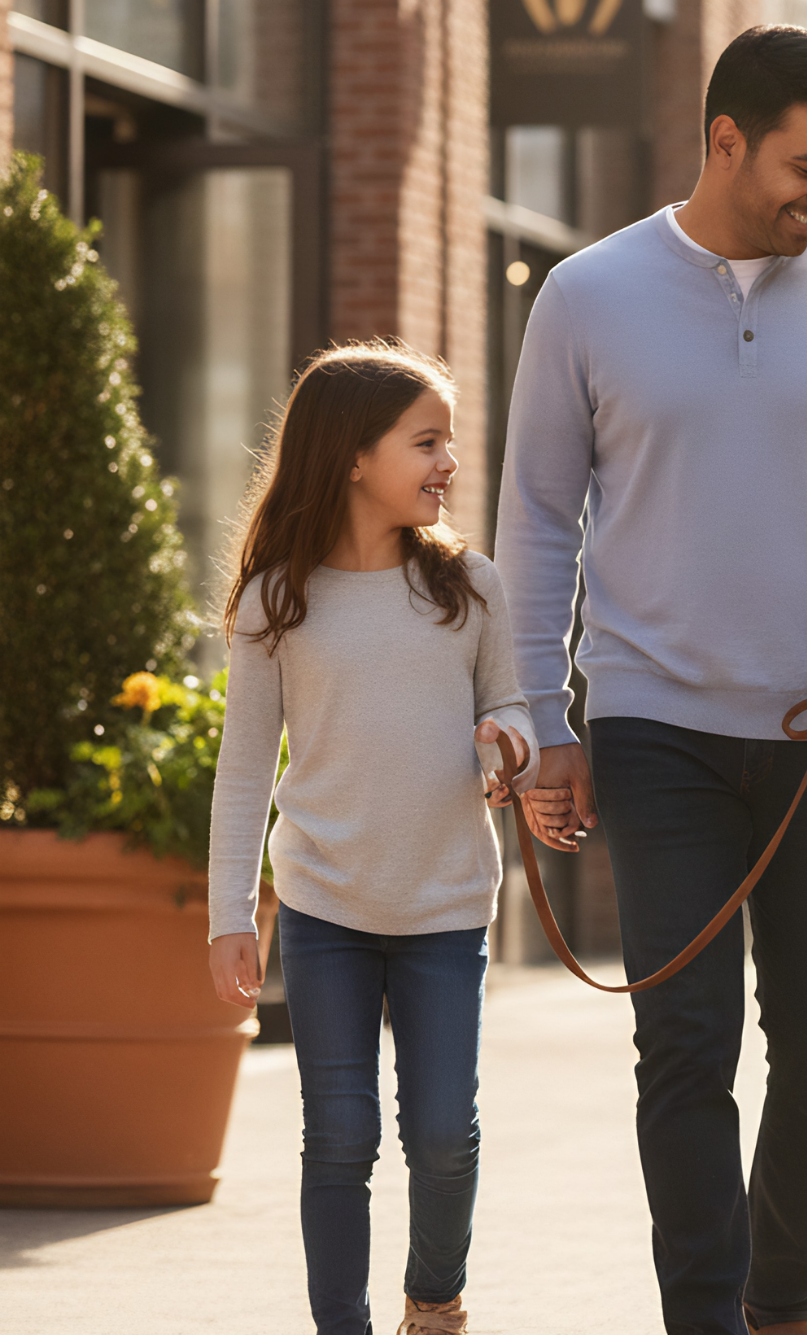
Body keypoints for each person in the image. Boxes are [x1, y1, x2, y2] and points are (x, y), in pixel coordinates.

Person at [494, 27, 807, 1335]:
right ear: (723, 141)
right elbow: (537, 516)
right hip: (653, 728)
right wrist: (545, 718)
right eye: (806, 167)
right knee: (684, 1048)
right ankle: (707, 1317)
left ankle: (784, 1301)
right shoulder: (588, 295)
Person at [206, 343, 539, 1335]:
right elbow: (242, 770)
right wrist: (233, 913)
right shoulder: (278, 600)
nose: (447, 463)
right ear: (355, 456)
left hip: (443, 906)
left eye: (447, 442)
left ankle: (434, 1302)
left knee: (441, 1136)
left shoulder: (467, 587)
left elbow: (511, 704)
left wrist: (506, 740)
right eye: (426, 442)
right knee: (338, 1138)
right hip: (324, 910)